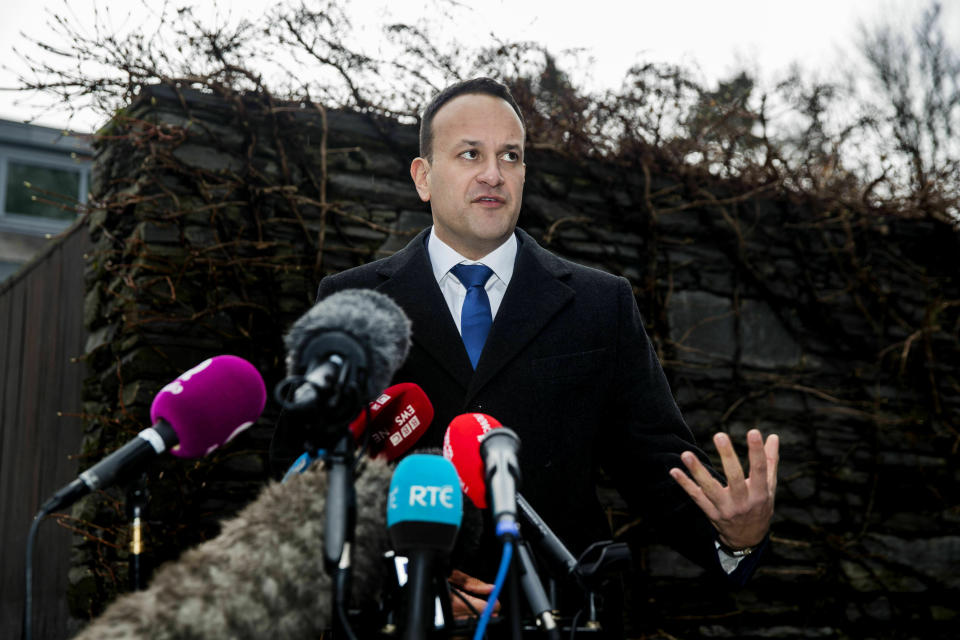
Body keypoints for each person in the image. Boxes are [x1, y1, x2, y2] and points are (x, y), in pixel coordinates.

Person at [285, 77, 779, 633]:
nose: (492, 173)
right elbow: (305, 478)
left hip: (558, 612)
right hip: (399, 616)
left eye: (510, 156)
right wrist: (405, 572)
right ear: (424, 178)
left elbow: (655, 466)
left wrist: (736, 536)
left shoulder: (599, 304)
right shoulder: (352, 303)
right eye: (470, 153)